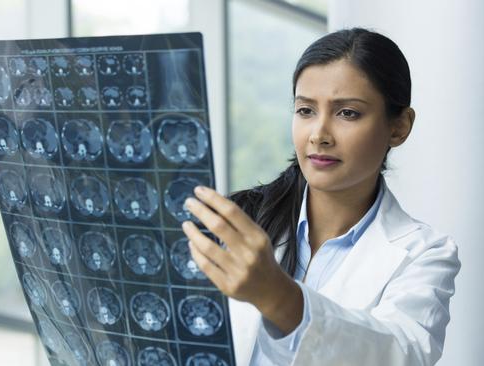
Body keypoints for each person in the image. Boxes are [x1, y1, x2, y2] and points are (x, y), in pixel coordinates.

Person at [181, 27, 461, 366]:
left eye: (348, 113)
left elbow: (401, 354)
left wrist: (278, 297)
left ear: (399, 126)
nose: (319, 135)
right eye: (305, 111)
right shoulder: (238, 219)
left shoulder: (425, 254)